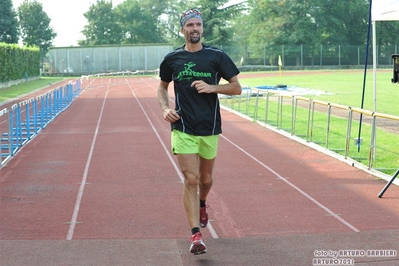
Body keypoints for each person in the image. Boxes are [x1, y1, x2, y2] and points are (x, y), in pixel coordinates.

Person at [157, 8, 242, 255]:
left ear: (202, 29)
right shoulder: (172, 59)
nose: (195, 29)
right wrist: (165, 109)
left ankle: (203, 203)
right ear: (182, 29)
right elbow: (162, 88)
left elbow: (236, 88)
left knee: (205, 180)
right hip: (183, 126)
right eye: (190, 25)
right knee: (191, 179)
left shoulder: (216, 56)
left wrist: (212, 87)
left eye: (198, 25)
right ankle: (196, 235)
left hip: (210, 127)